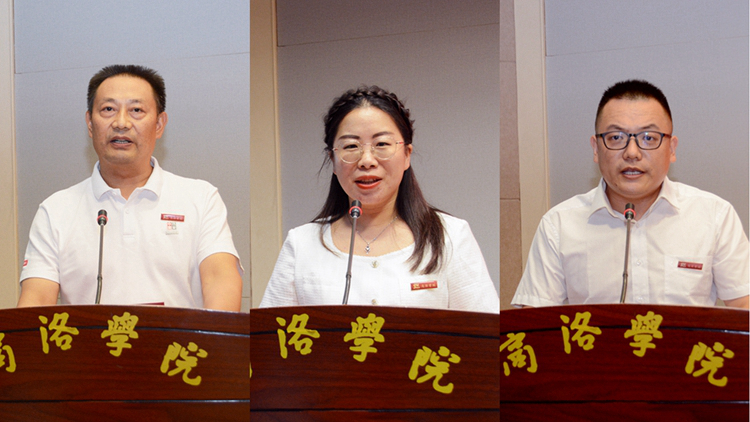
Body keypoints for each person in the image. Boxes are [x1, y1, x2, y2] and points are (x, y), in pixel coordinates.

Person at [17, 64, 242, 311]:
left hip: (178, 339)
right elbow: (36, 301)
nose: (121, 123)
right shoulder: (56, 210)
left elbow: (221, 280)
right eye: (108, 109)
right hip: (90, 339)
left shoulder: (200, 198)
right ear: (90, 124)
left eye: (136, 110)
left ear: (159, 124)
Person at [260, 85, 499, 313]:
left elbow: (483, 333)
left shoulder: (450, 236)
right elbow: (271, 336)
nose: (366, 160)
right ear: (333, 160)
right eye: (351, 146)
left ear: (406, 155)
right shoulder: (302, 244)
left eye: (381, 144)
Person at [512, 79, 749, 309]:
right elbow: (533, 322)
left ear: (671, 148)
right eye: (616, 138)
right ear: (596, 149)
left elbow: (743, 304)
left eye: (649, 138)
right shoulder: (558, 225)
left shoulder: (714, 216)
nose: (632, 153)